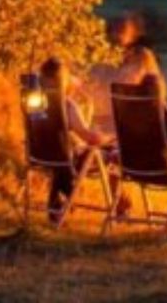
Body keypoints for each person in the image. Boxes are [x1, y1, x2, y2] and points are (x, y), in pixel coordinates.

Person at [37, 57, 111, 226]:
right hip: (63, 159)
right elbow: (88, 137)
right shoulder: (67, 105)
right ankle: (70, 195)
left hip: (38, 154)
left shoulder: (34, 99)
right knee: (96, 152)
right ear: (63, 79)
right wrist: (106, 138)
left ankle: (58, 203)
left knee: (61, 161)